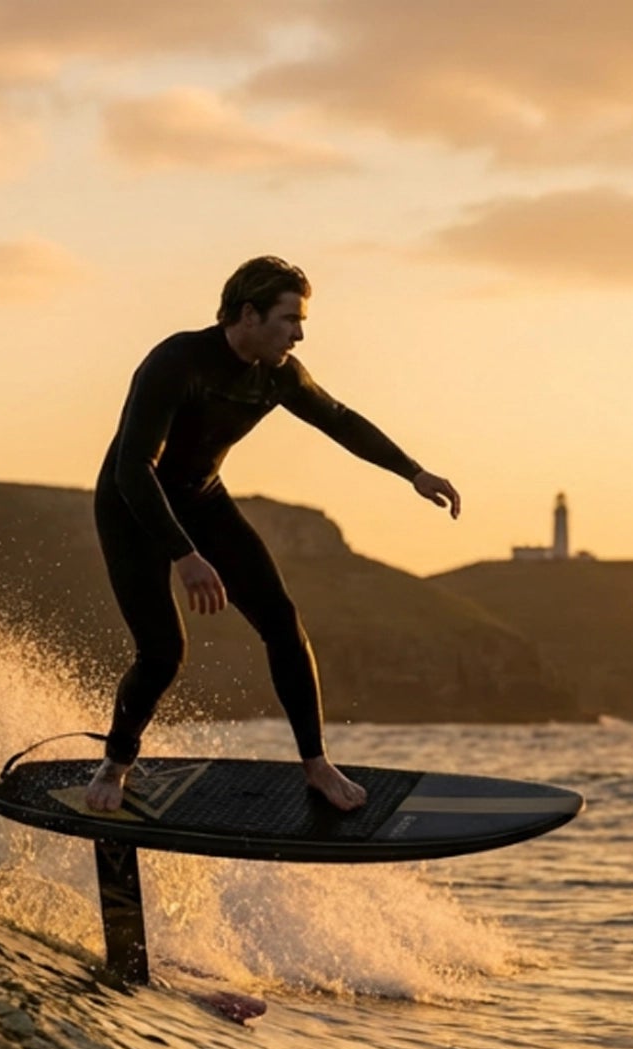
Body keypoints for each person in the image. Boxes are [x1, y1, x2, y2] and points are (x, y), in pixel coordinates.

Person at [85, 256, 461, 813]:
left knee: (283, 625)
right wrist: (184, 556)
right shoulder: (176, 361)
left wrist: (414, 471)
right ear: (249, 314)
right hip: (132, 506)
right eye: (290, 319)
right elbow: (134, 468)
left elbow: (339, 418)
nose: (300, 334)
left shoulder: (279, 373)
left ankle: (316, 765)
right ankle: (115, 765)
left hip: (201, 498)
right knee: (163, 652)